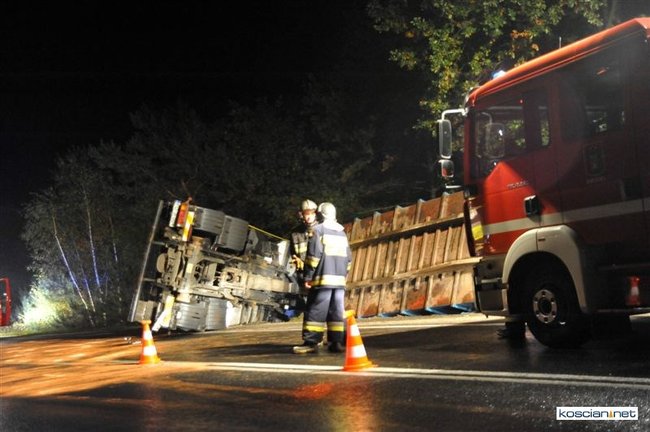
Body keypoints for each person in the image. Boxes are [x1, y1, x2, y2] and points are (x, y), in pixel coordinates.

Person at [293, 202, 352, 354]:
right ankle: (336, 343)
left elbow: (313, 257)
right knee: (336, 312)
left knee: (316, 310)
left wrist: (308, 277)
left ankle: (311, 343)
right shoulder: (342, 233)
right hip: (339, 282)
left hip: (322, 280)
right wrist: (343, 276)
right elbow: (349, 259)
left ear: (321, 214)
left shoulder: (318, 230)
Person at [289, 199, 319, 289]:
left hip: (316, 273)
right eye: (307, 214)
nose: (309, 217)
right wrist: (296, 259)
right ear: (302, 215)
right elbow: (292, 252)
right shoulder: (295, 233)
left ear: (315, 214)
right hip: (301, 274)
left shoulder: (320, 230)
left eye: (312, 214)